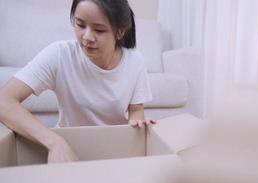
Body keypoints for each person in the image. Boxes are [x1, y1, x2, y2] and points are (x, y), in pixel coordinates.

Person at [0, 0, 155, 163]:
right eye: (80, 25)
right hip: (71, 148)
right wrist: (55, 142)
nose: (87, 37)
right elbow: (3, 101)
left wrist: (136, 122)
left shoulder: (134, 60)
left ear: (120, 32)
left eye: (99, 30)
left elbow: (136, 109)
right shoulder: (60, 54)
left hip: (113, 149)